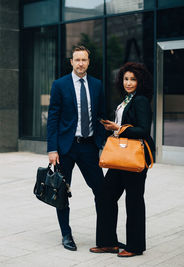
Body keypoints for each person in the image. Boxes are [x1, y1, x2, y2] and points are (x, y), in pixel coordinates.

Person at [47, 45, 108, 251]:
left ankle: (106, 237)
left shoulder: (97, 85)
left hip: (89, 147)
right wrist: (52, 149)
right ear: (71, 62)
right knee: (62, 192)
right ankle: (66, 234)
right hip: (66, 147)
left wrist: (104, 141)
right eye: (77, 60)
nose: (80, 63)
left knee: (101, 191)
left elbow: (101, 115)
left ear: (88, 62)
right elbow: (53, 118)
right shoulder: (60, 85)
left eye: (84, 59)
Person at [92, 62, 155, 257]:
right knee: (104, 195)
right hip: (121, 156)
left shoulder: (141, 100)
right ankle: (108, 242)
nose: (128, 83)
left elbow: (144, 129)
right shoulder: (127, 99)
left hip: (134, 157)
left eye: (133, 79)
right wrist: (113, 126)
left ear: (140, 81)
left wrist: (118, 129)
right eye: (126, 79)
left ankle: (135, 246)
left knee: (134, 201)